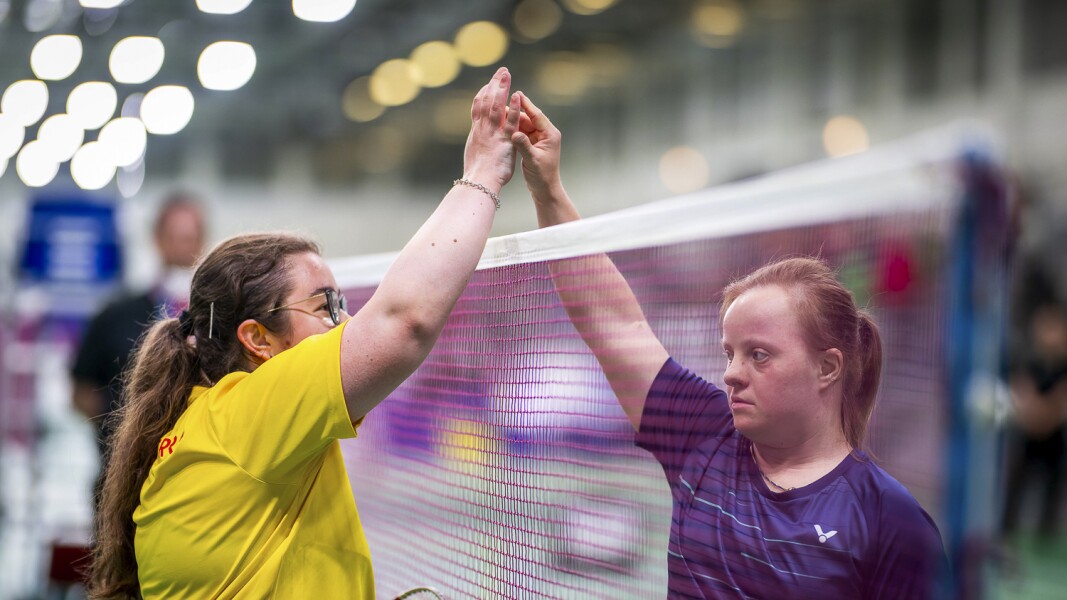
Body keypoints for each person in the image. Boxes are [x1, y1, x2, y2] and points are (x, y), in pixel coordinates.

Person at [87, 67, 522, 599]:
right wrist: (484, 170)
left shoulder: (218, 426)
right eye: (325, 306)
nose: (343, 323)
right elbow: (403, 321)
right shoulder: (246, 415)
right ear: (258, 340)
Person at [511, 92, 948, 598]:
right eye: (730, 353)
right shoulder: (704, 437)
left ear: (828, 367)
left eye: (758, 355)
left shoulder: (891, 521)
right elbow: (614, 324)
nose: (732, 374)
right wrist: (548, 190)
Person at [71, 193, 206, 509]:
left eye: (190, 238)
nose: (182, 248)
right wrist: (122, 431)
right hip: (121, 480)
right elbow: (80, 389)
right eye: (174, 237)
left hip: (195, 486)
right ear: (157, 241)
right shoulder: (115, 315)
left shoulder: (216, 321)